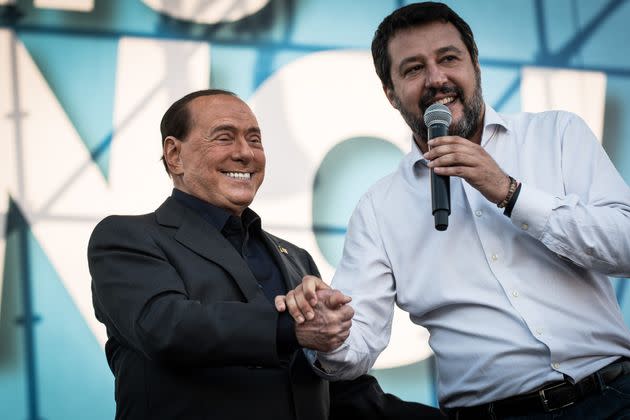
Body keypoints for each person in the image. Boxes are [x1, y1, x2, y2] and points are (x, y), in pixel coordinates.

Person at [280, 2, 630, 419]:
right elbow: (357, 347)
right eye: (413, 69)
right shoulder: (379, 208)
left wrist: (509, 192)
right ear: (390, 94)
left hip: (614, 397)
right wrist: (328, 336)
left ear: (475, 65)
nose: (436, 78)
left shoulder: (557, 134)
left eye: (448, 59)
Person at [88, 89, 443, 419]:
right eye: (224, 137)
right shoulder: (128, 237)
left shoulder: (295, 258)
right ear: (174, 154)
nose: (245, 152)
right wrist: (290, 329)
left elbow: (341, 394)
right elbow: (166, 327)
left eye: (254, 139)